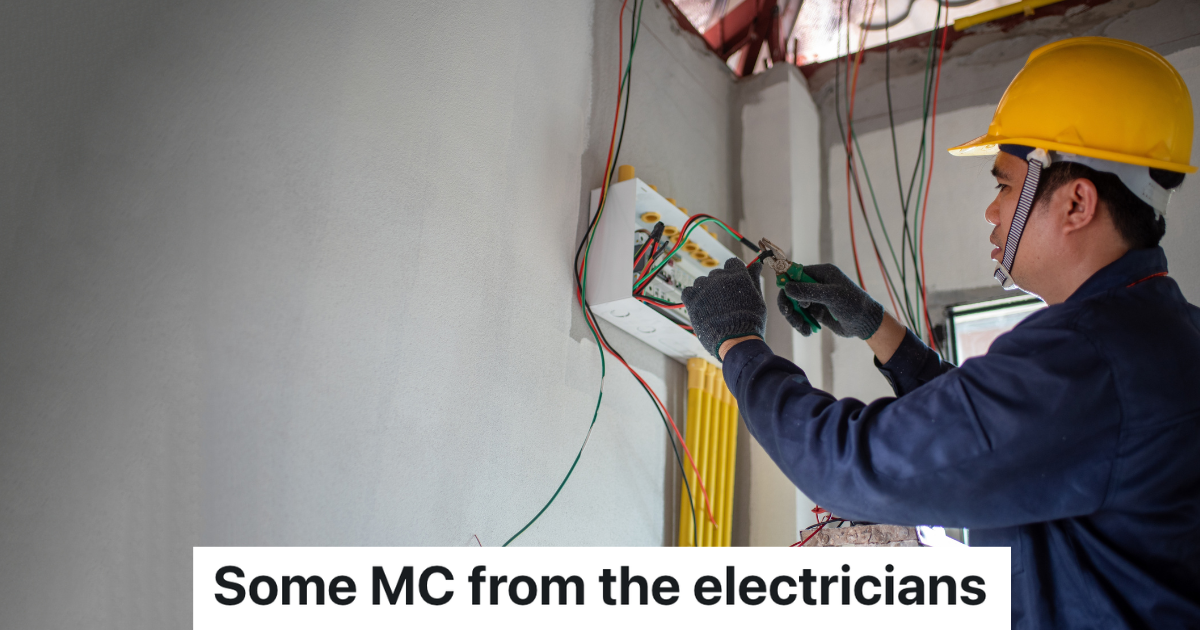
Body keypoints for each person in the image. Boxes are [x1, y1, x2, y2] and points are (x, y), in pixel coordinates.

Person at [681, 37, 1199, 628]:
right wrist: (877, 327)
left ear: (1076, 203)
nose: (992, 211)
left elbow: (851, 466)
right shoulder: (1156, 337)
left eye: (1004, 185)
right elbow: (1002, 432)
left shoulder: (1089, 358)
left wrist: (738, 342)